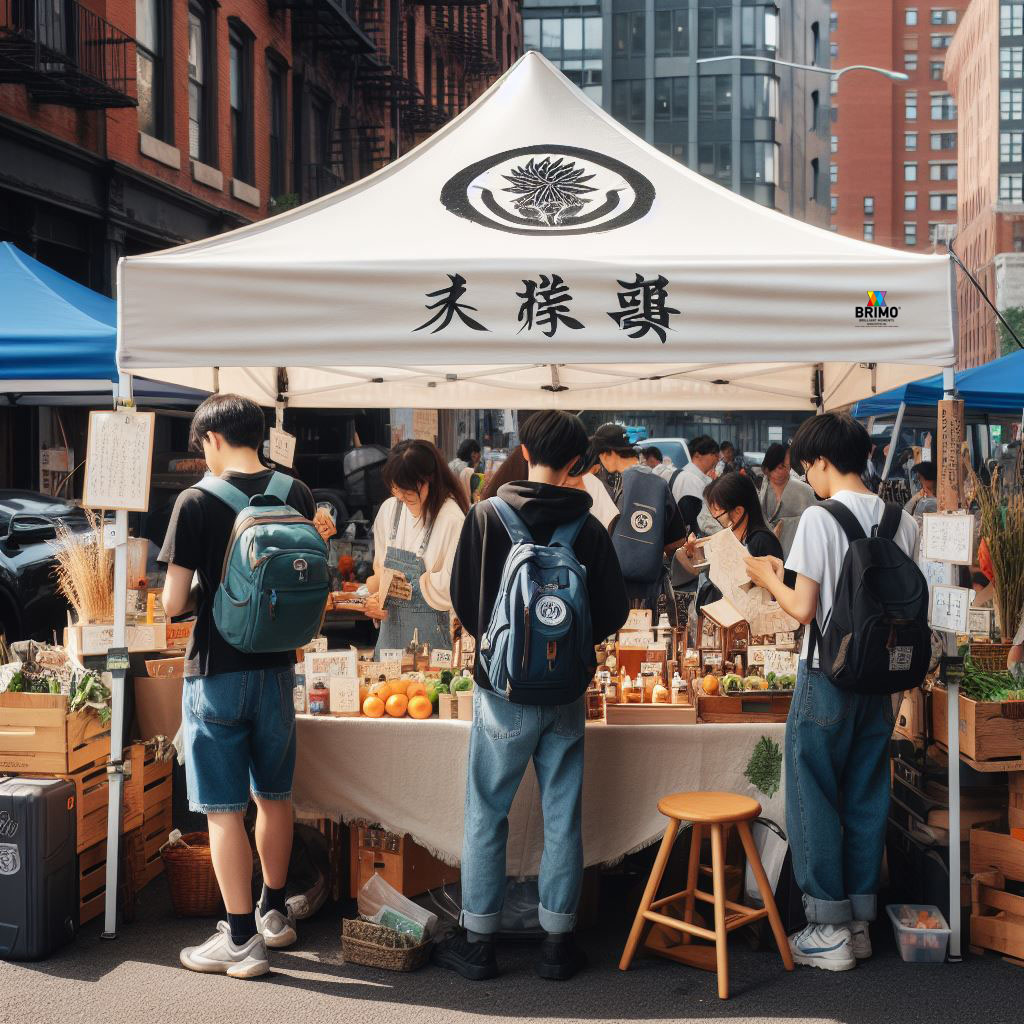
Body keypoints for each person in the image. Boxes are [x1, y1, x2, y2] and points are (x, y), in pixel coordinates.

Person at [438, 411, 628, 981]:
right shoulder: (589, 526)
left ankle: (478, 942)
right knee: (562, 816)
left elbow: (465, 602)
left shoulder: (486, 516)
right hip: (566, 695)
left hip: (502, 692)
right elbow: (614, 612)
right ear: (578, 464)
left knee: (486, 813)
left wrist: (505, 651)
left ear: (523, 450)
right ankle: (557, 944)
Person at [745, 413, 918, 973]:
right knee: (867, 793)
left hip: (826, 676)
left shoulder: (820, 518)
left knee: (814, 794)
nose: (808, 479)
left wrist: (768, 573)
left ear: (821, 462)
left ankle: (826, 927)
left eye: (807, 468)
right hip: (883, 680)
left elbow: (800, 608)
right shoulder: (902, 520)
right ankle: (861, 923)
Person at [159, 394, 317, 978]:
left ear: (211, 439)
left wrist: (211, 593)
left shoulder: (196, 500)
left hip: (217, 671)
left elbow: (175, 601)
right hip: (279, 668)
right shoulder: (294, 492)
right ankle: (275, 916)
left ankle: (241, 939)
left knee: (222, 809)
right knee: (273, 795)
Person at [364, 440, 468, 657]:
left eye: (407, 490)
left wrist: (410, 585)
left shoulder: (451, 519)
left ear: (429, 480)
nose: (400, 496)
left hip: (432, 645)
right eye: (395, 489)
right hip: (389, 646)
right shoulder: (389, 510)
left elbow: (455, 592)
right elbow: (379, 572)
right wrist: (377, 600)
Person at [593, 423, 686, 613]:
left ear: (607, 453)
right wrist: (650, 549)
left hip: (607, 586)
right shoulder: (658, 484)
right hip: (649, 592)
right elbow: (678, 539)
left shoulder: (598, 484)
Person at [677, 473, 793, 611]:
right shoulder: (736, 538)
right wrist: (694, 554)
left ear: (738, 512)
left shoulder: (761, 541)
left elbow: (765, 595)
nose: (717, 522)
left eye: (718, 517)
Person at [759, 442, 817, 557]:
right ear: (768, 469)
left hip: (796, 555)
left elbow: (815, 522)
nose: (786, 471)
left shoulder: (803, 491)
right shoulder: (765, 486)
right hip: (767, 553)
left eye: (788, 467)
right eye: (781, 467)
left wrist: (784, 524)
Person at [670, 436, 720, 536]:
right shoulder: (689, 479)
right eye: (713, 454)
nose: (717, 459)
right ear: (697, 455)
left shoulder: (691, 475)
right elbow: (699, 519)